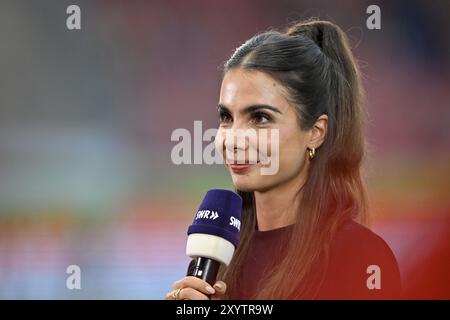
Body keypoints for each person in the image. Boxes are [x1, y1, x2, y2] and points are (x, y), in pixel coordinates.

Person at [165, 18, 401, 300]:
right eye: (227, 118)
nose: (235, 139)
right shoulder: (220, 255)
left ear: (315, 132)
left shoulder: (361, 258)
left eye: (260, 118)